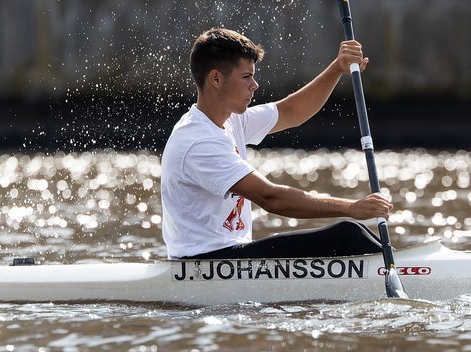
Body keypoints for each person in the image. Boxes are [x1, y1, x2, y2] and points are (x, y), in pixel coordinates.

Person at [160, 28, 392, 260]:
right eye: (246, 76)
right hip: (204, 263)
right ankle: (405, 270)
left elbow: (290, 111)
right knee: (347, 236)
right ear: (216, 79)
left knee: (353, 234)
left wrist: (337, 69)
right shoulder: (198, 140)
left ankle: (399, 264)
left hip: (228, 257)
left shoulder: (231, 120)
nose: (255, 85)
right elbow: (270, 197)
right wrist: (352, 208)